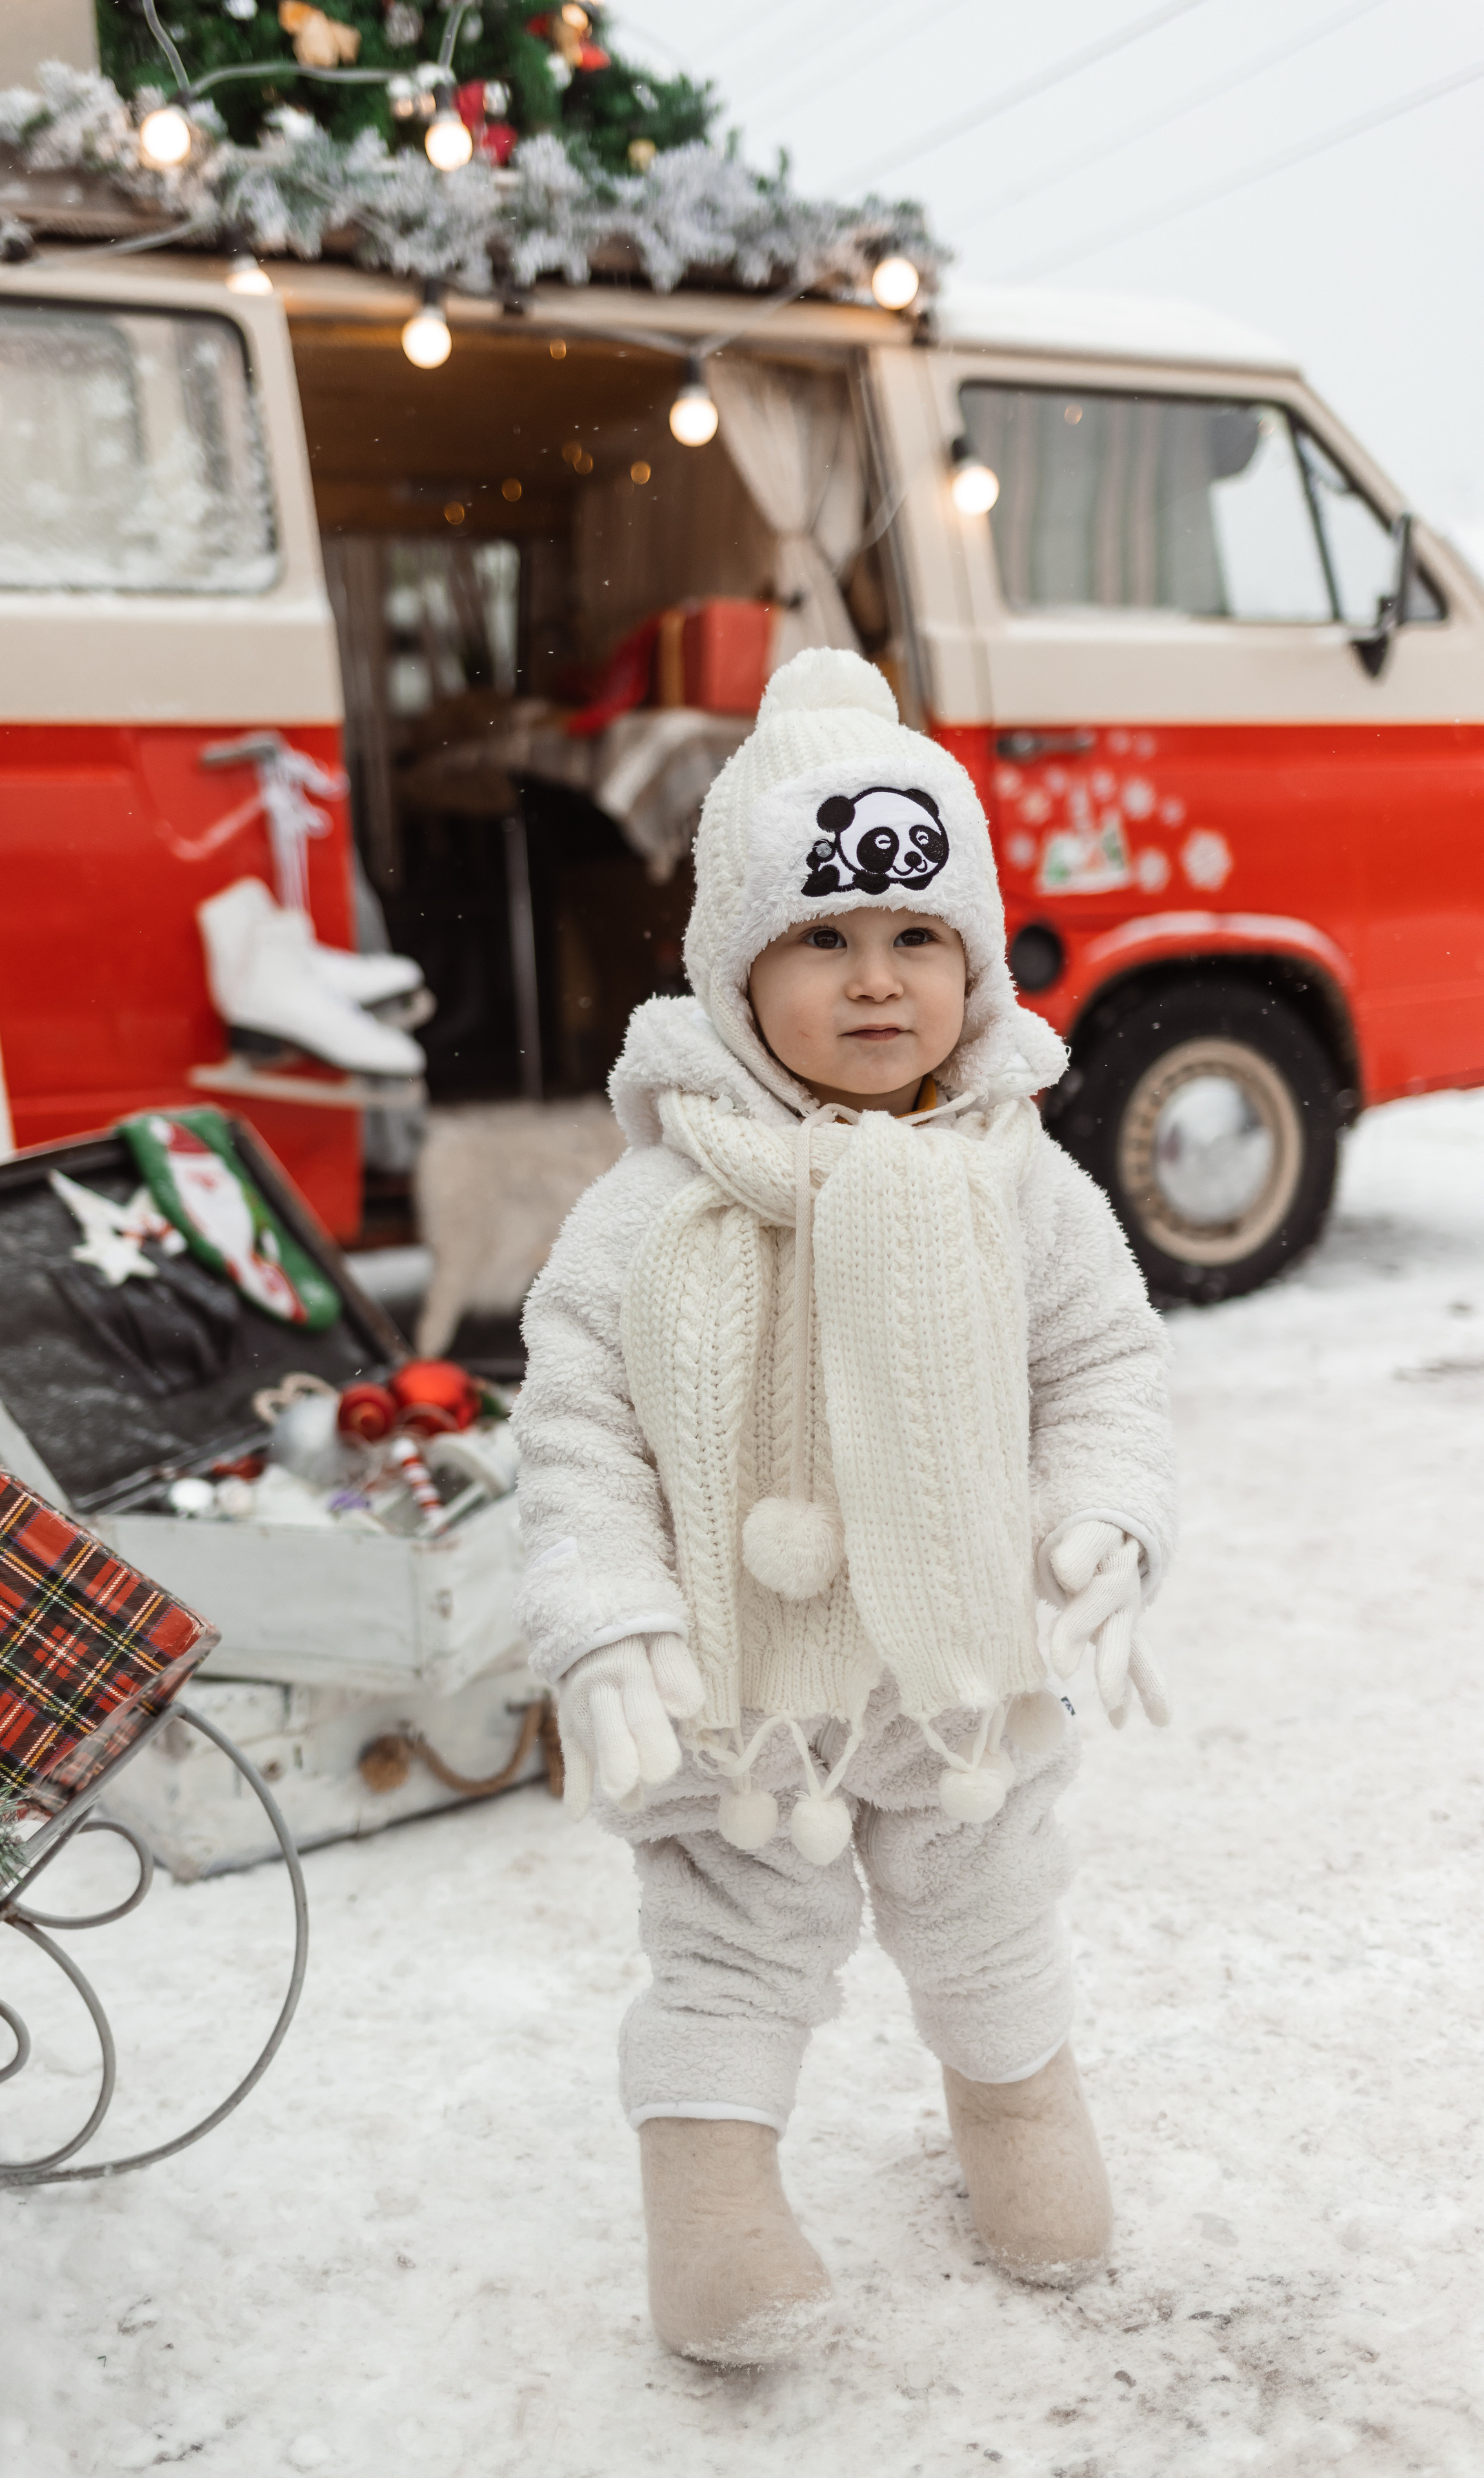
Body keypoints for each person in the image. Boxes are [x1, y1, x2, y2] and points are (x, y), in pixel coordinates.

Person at [512, 647, 1175, 2364]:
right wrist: (605, 1618)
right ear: (733, 966)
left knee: (992, 1901)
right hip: (742, 1699)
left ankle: (1017, 2113)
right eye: (822, 938)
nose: (876, 984)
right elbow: (578, 1429)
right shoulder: (651, 1209)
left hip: (958, 1668)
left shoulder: (1020, 1182)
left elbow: (1105, 1368)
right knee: (733, 1939)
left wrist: (1101, 1520)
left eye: (916, 938)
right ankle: (713, 2214)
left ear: (973, 956)